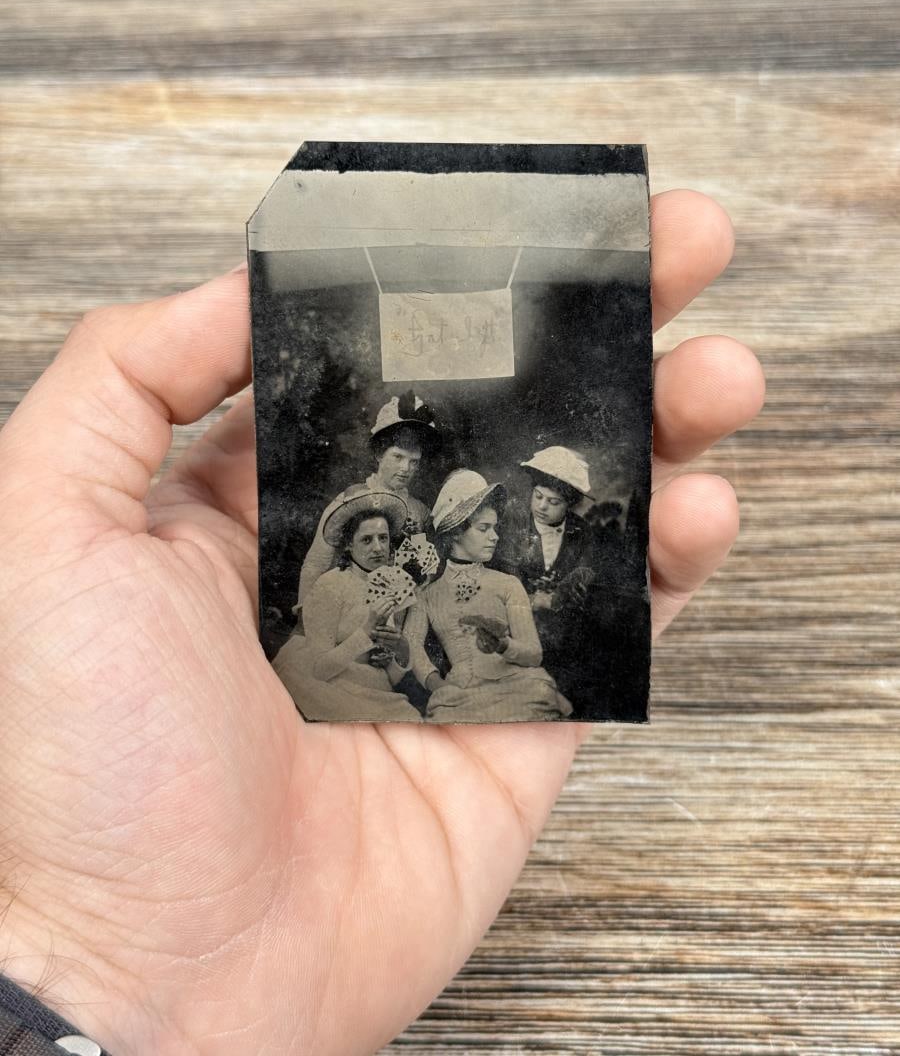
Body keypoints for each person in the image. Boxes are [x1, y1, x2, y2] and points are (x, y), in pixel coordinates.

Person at [0, 190, 764, 1055]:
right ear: (378, 456)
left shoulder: (452, 543)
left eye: (415, 453)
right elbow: (345, 596)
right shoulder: (354, 518)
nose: (404, 461)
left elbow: (437, 611)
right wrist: (94, 955)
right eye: (395, 450)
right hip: (338, 670)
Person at [404, 470, 573, 723]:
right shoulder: (428, 593)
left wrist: (503, 645)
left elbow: (534, 654)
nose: (494, 536)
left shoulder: (507, 584)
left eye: (495, 528)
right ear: (456, 532)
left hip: (519, 687)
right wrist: (437, 685)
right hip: (460, 693)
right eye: (484, 528)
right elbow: (411, 645)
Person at [273, 485, 423, 722]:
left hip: (371, 687)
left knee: (411, 719)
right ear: (348, 545)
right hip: (326, 682)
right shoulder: (330, 586)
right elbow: (319, 670)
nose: (378, 547)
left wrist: (401, 651)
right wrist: (366, 632)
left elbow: (388, 679)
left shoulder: (396, 585)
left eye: (383, 538)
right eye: (366, 540)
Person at [296, 391, 440, 607]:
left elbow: (427, 571)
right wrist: (304, 615)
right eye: (398, 457)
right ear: (379, 454)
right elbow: (316, 563)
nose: (405, 469)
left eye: (414, 462)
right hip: (347, 607)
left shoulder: (419, 512)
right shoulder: (351, 499)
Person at [496, 446, 602, 708]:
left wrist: (567, 592)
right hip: (520, 621)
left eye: (553, 502)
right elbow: (507, 576)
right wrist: (534, 599)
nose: (542, 506)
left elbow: (585, 573)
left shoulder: (582, 531)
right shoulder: (513, 523)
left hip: (565, 629)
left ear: (568, 505)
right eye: (538, 496)